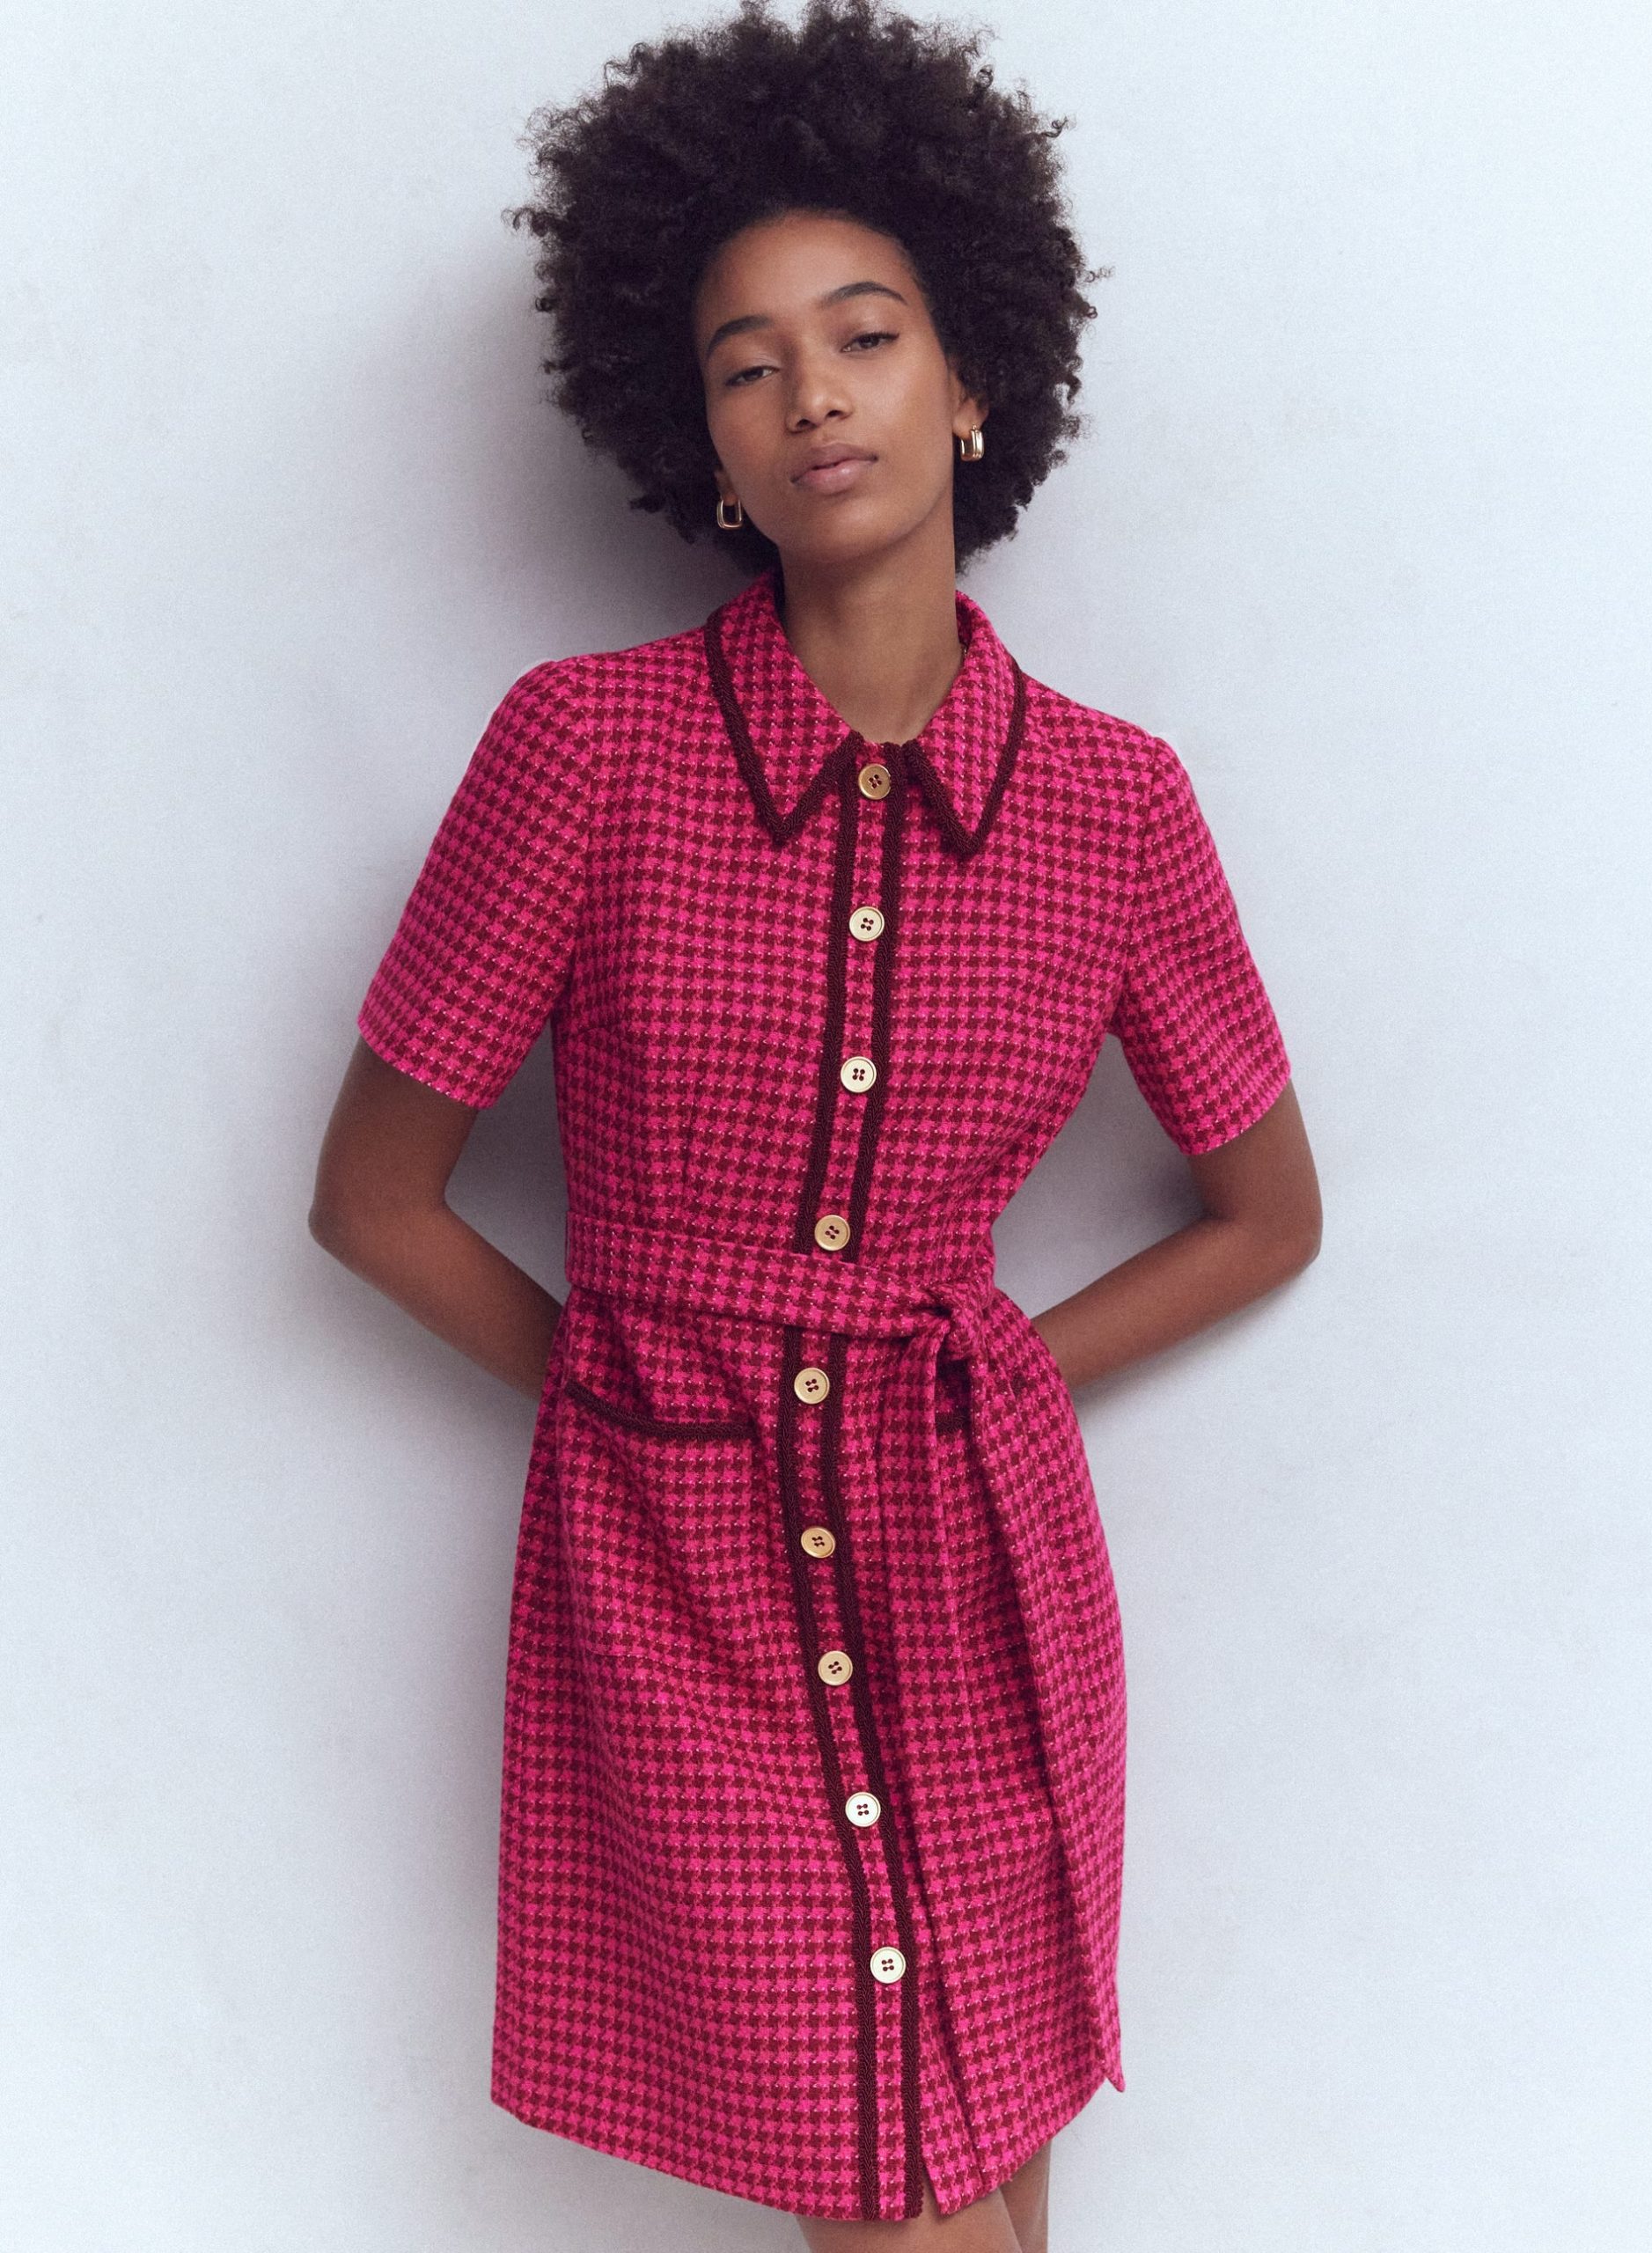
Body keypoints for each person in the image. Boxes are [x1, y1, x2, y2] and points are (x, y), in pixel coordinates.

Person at [309, 1, 1322, 2244]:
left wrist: (998, 1374)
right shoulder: (581, 752)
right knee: (887, 2184)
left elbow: (1267, 1211)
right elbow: (372, 1199)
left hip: (978, 1565)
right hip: (682, 1588)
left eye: (864, 335)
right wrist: (637, 1397)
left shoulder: (1118, 807)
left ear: (970, 381)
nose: (812, 394)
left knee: (995, 2167)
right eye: (746, 363)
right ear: (704, 445)